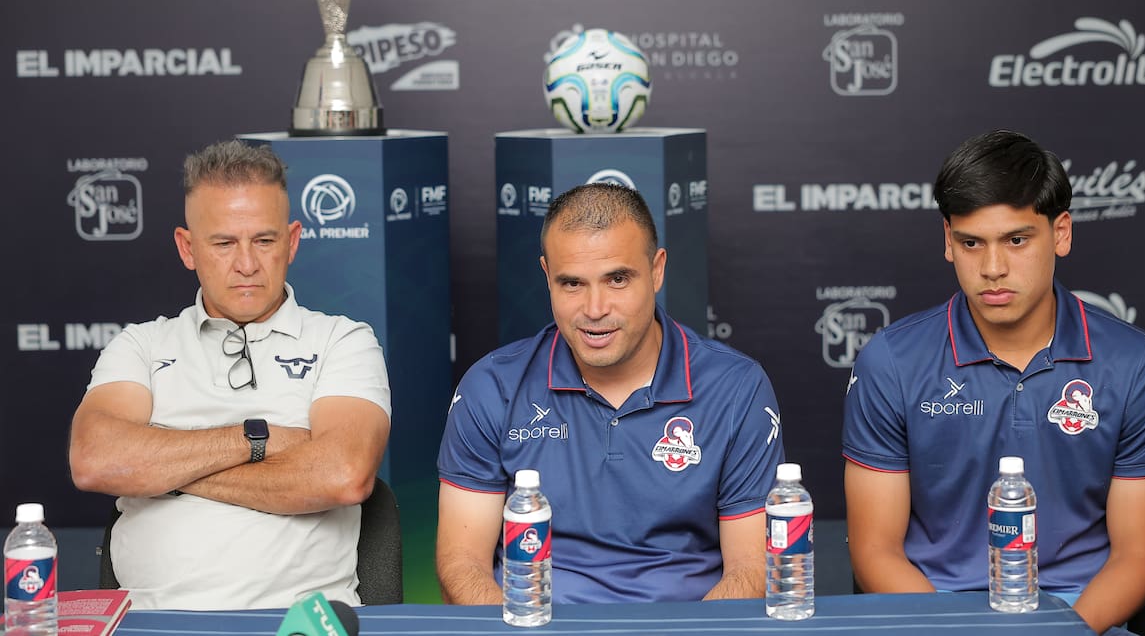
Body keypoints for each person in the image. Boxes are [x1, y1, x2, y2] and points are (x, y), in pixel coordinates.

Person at [842, 130, 1145, 633]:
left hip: (1078, 614)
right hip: (936, 613)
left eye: (1017, 240)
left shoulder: (1135, 365)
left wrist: (1062, 631)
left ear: (1061, 233)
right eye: (971, 242)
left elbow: (1136, 556)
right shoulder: (890, 362)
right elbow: (875, 551)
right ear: (948, 241)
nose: (993, 269)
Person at [68, 140, 392, 610]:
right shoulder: (141, 344)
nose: (246, 264)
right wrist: (256, 440)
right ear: (188, 247)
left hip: (296, 621)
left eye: (264, 240)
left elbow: (342, 475)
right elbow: (95, 459)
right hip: (152, 623)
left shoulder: (343, 341)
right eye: (223, 243)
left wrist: (164, 470)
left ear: (293, 241)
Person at [436, 183, 784, 604]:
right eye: (572, 284)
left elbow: (752, 571)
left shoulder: (735, 388)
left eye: (617, 279)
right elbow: (463, 566)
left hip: (683, 631)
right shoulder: (491, 387)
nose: (595, 309)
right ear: (547, 276)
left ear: (657, 271)